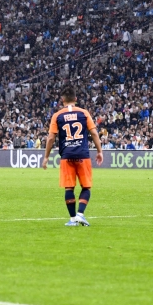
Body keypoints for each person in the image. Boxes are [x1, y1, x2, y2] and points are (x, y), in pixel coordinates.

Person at [42, 86, 103, 227]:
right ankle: (80, 214)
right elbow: (94, 133)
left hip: (67, 155)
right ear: (75, 99)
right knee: (86, 187)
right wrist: (99, 151)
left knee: (69, 188)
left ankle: (73, 219)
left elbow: (51, 138)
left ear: (62, 100)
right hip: (83, 155)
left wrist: (46, 157)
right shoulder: (84, 113)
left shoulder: (57, 116)